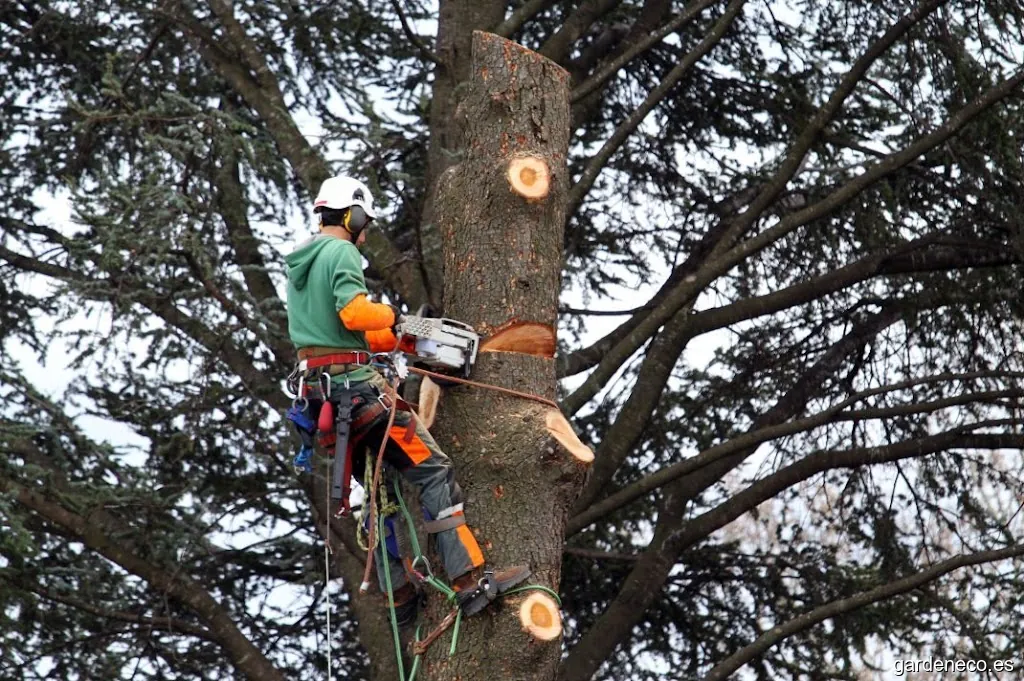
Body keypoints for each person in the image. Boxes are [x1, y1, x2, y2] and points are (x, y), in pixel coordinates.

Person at [285, 175, 528, 623]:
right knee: (434, 471)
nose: (365, 233)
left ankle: (398, 595)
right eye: (364, 223)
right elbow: (354, 313)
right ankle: (469, 582)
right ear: (352, 215)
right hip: (360, 394)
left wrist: (397, 337)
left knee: (380, 491)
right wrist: (394, 314)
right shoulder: (341, 251)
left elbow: (342, 335)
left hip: (325, 397)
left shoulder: (303, 264)